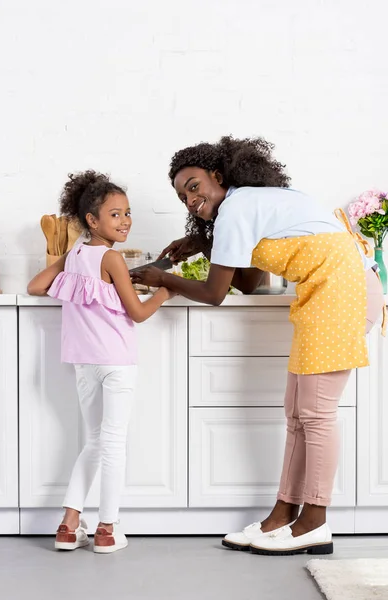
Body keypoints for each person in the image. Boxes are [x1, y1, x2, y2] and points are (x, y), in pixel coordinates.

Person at [131, 136, 385, 556]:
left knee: (315, 415)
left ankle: (314, 521)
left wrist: (163, 278)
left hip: (343, 291)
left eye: (193, 186)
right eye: (181, 196)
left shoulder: (237, 207)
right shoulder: (245, 208)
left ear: (217, 177)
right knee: (298, 414)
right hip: (327, 294)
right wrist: (203, 243)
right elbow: (249, 282)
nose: (189, 200)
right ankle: (282, 516)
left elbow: (215, 293)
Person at [28, 170, 175, 553]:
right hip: (116, 363)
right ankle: (107, 528)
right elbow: (139, 313)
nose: (125, 220)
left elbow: (35, 287)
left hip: (83, 364)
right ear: (92, 220)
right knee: (113, 443)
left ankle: (68, 524)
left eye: (127, 213)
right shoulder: (111, 258)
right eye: (115, 214)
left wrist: (68, 268)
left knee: (94, 441)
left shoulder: (74, 254)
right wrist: (166, 291)